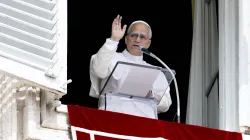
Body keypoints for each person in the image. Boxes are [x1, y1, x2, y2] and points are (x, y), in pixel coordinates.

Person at [89, 15, 172, 119]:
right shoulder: (111, 57)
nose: (137, 40)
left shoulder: (156, 72)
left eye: (142, 37)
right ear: (126, 39)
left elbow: (166, 104)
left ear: (148, 43)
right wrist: (113, 40)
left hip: (145, 125)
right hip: (113, 119)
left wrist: (151, 95)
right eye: (133, 35)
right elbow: (98, 70)